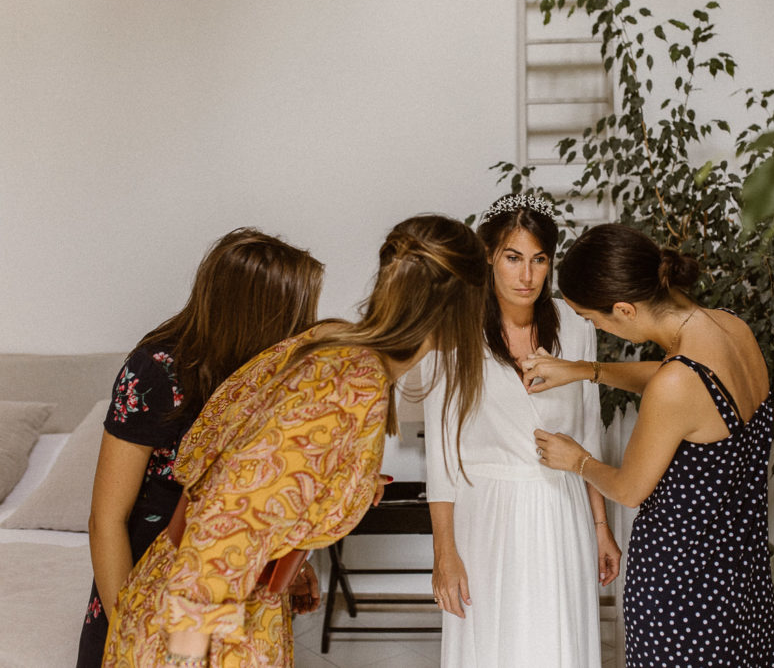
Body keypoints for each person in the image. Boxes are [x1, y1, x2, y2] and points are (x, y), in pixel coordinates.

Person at [101, 214, 487, 668]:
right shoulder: (355, 382)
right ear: (460, 306)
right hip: (209, 624)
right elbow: (226, 517)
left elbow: (214, 449)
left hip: (198, 593)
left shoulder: (330, 343)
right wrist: (184, 654)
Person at [527, 223, 774, 667]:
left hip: (684, 586)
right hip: (740, 574)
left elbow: (629, 489)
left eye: (593, 319)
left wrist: (578, 460)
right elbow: (685, 384)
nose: (599, 328)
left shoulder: (677, 383)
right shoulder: (729, 328)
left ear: (623, 309)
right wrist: (584, 369)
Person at [77, 228, 325, 668]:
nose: (306, 325)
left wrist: (289, 568)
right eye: (299, 311)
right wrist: (133, 632)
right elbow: (106, 520)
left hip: (236, 601)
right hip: (152, 588)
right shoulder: (157, 371)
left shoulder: (272, 375)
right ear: (260, 313)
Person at [425, 194, 621, 667]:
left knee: (558, 643)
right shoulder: (453, 328)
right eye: (513, 258)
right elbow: (441, 450)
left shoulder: (575, 326)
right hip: (486, 513)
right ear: (490, 255)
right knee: (493, 644)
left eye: (538, 261)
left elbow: (588, 429)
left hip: (561, 506)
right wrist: (444, 550)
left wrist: (601, 527)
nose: (527, 276)